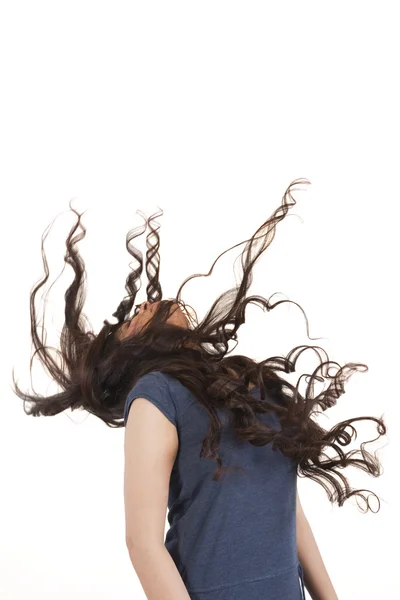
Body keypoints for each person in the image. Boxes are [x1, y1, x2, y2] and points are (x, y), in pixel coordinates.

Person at [12, 178, 386, 599]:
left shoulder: (248, 385)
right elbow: (142, 543)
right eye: (133, 317)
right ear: (134, 351)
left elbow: (287, 508)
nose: (144, 304)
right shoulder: (156, 395)